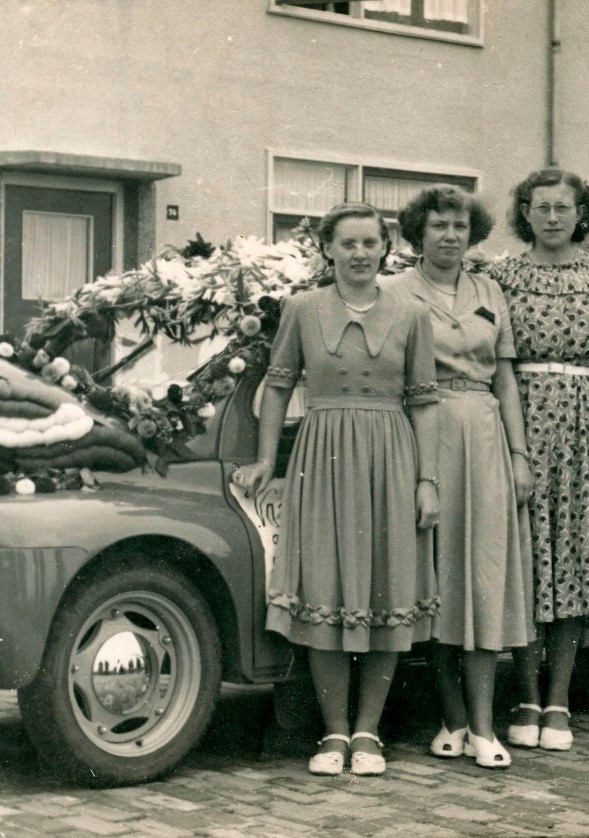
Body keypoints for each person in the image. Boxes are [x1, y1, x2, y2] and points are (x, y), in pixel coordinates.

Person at [233, 202, 442, 777]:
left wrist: (428, 480)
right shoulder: (302, 309)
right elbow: (277, 387)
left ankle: (369, 732)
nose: (358, 254)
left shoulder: (411, 313)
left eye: (369, 243)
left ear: (385, 249)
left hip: (391, 458)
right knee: (324, 583)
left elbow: (424, 402)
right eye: (346, 244)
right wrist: (265, 461)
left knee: (384, 584)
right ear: (327, 249)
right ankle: (332, 732)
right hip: (321, 459)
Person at [383, 185, 533, 770]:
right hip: (421, 433)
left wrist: (519, 455)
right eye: (439, 225)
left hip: (484, 437)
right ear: (418, 232)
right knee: (437, 575)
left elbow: (506, 379)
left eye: (460, 227)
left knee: (483, 574)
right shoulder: (396, 292)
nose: (450, 235)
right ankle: (452, 718)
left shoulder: (490, 291)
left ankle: (485, 726)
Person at [488, 168, 589, 752]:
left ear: (582, 213)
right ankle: (525, 694)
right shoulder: (500, 276)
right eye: (541, 207)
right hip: (519, 423)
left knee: (573, 560)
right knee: (527, 561)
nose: (552, 217)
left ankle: (559, 699)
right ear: (525, 212)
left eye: (563, 207)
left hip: (585, 428)